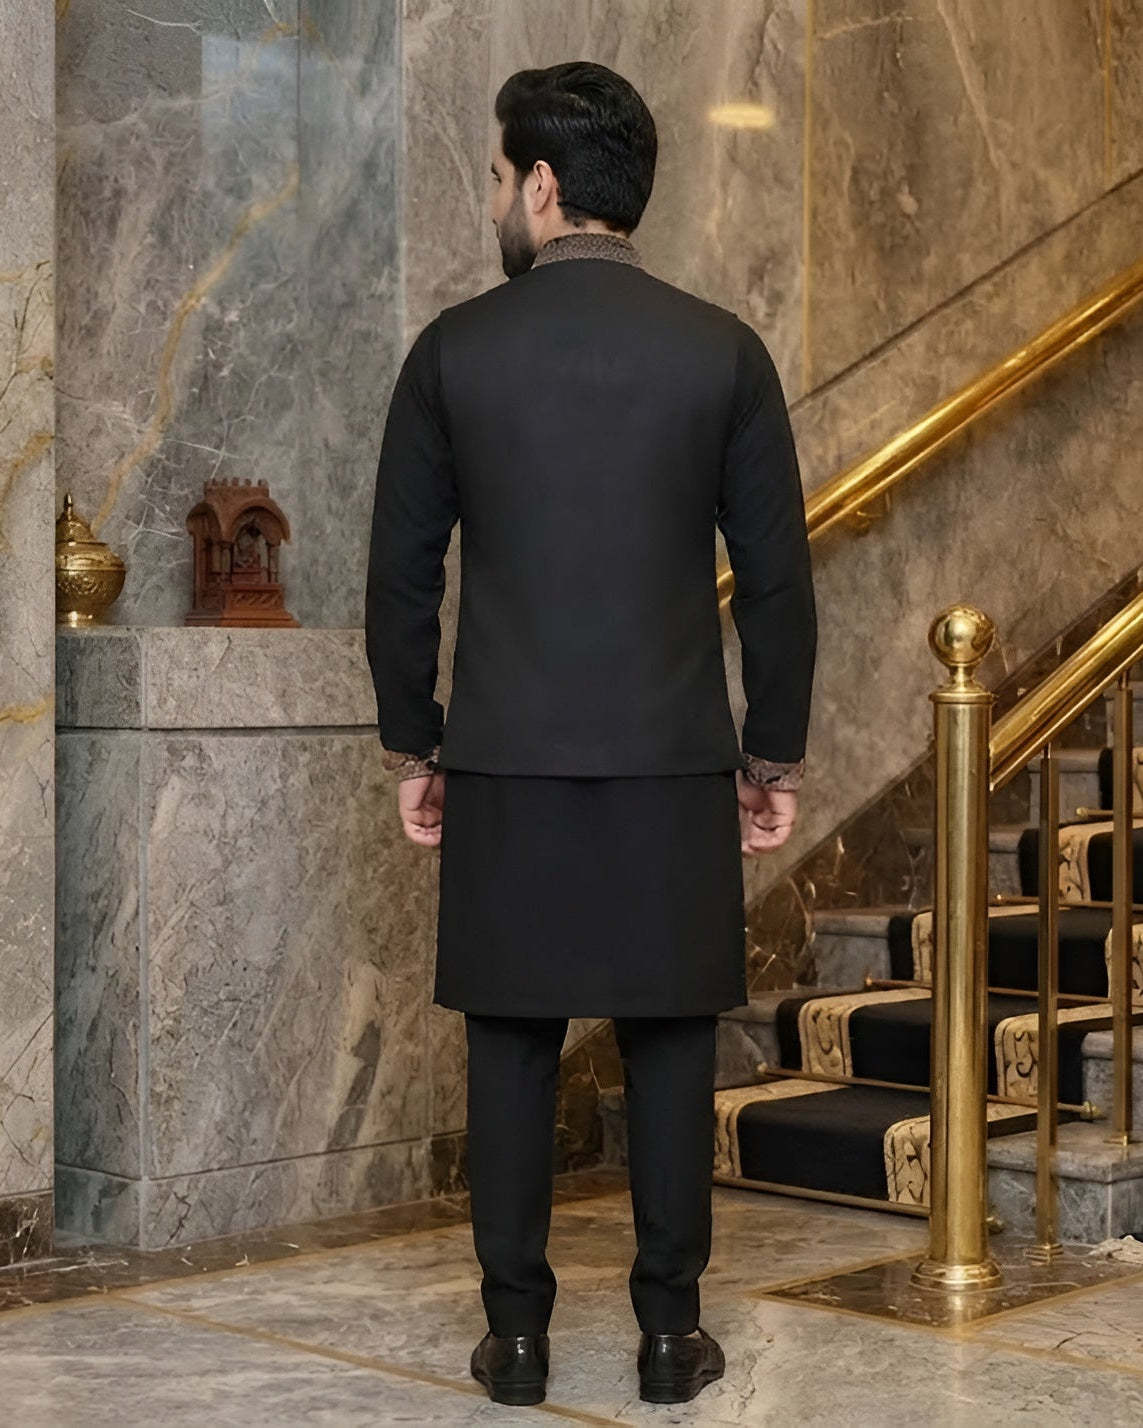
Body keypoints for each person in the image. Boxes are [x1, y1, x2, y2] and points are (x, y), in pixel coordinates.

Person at [364, 60, 816, 1408]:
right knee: (671, 1043)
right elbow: (778, 579)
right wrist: (772, 754)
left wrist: (414, 743)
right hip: (675, 761)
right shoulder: (723, 350)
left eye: (501, 179)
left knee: (508, 1045)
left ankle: (516, 1339)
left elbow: (402, 573)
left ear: (545, 186)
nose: (496, 201)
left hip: (503, 761)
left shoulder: (454, 349)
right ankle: (672, 1336)